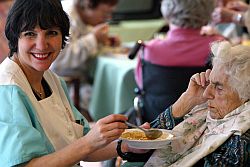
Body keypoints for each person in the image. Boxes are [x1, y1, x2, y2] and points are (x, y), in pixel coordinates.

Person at [0, 0, 129, 166]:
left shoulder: (52, 80)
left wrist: (130, 145)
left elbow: (82, 145)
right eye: (30, 34)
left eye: (51, 33)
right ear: (14, 36)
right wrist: (88, 142)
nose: (41, 45)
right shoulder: (8, 90)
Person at [118, 41, 250, 166]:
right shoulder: (203, 113)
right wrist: (187, 100)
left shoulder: (241, 137)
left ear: (246, 96)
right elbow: (137, 150)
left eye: (219, 88)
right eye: (210, 82)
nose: (206, 94)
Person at [133, 0, 224, 122]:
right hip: (202, 123)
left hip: (155, 121)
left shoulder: (149, 49)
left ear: (167, 11)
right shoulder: (218, 47)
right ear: (208, 12)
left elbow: (142, 86)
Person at [51, 0, 120, 111]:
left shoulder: (85, 19)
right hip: (66, 83)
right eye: (105, 13)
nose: (108, 18)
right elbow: (58, 60)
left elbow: (80, 42)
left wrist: (105, 41)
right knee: (110, 93)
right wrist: (94, 39)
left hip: (82, 78)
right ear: (88, 4)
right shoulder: (66, 16)